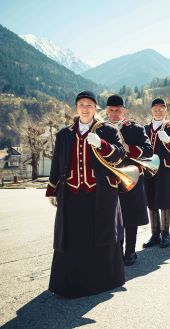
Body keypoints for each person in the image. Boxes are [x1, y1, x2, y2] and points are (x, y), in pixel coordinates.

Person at [45, 91, 125, 298]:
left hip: (100, 194)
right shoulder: (64, 134)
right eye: (81, 104)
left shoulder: (108, 130)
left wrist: (102, 144)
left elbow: (119, 156)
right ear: (76, 107)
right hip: (71, 195)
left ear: (95, 108)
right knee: (72, 237)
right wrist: (52, 189)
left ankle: (101, 281)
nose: (85, 108)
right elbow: (57, 162)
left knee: (99, 235)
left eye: (89, 104)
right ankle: (70, 282)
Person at [106, 94, 153, 265]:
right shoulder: (100, 129)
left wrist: (129, 148)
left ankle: (130, 251)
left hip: (131, 176)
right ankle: (116, 251)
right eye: (111, 110)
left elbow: (148, 151)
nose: (114, 113)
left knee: (130, 216)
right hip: (109, 178)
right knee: (112, 216)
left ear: (124, 110)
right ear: (106, 110)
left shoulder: (135, 128)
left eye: (118, 110)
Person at [143, 98, 170, 248]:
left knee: (165, 201)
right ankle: (154, 234)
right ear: (151, 110)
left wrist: (168, 141)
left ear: (166, 110)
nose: (158, 111)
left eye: (161, 109)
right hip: (148, 170)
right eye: (155, 109)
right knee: (151, 201)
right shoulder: (145, 129)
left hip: (165, 170)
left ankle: (165, 234)